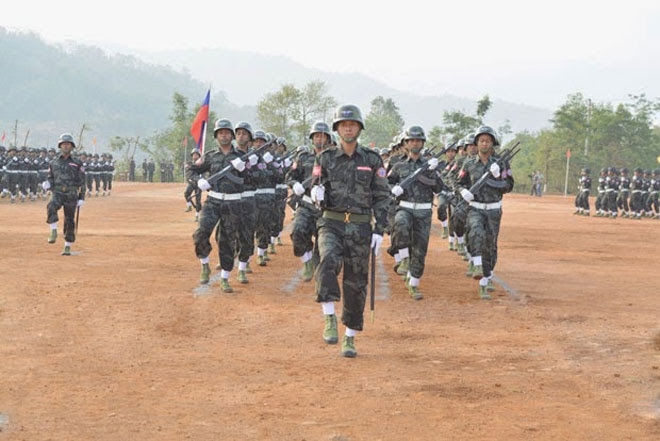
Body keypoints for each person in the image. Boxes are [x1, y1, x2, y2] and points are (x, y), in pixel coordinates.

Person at [311, 104, 391, 358]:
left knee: (356, 282)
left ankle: (350, 337)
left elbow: (383, 196)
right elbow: (316, 186)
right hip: (331, 222)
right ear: (337, 129)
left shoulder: (372, 159)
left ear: (359, 128)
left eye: (352, 124)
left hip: (360, 225)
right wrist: (316, 194)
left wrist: (379, 229)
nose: (348, 128)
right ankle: (329, 317)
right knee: (327, 261)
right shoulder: (324, 158)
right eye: (344, 125)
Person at [189, 118, 248, 292]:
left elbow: (255, 180)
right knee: (201, 233)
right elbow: (191, 169)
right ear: (216, 136)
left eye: (227, 133)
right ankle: (205, 264)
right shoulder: (210, 156)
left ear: (232, 136)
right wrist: (199, 181)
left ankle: (224, 278)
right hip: (213, 201)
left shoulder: (241, 157)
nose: (224, 135)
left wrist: (245, 169)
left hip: (233, 203)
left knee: (227, 241)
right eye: (220, 133)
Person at [457, 126, 514, 300]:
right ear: (476, 143)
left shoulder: (502, 164)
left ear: (492, 143)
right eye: (481, 140)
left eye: (488, 141)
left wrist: (498, 177)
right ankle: (477, 265)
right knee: (475, 233)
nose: (484, 144)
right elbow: (458, 182)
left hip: (494, 210)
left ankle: (485, 280)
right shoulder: (468, 163)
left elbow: (509, 186)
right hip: (475, 207)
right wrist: (462, 191)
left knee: (490, 246)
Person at [387, 125, 443, 300]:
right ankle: (404, 259)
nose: (415, 143)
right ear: (406, 143)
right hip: (404, 207)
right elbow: (386, 183)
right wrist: (393, 188)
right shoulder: (399, 165)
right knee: (400, 224)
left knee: (420, 250)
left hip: (424, 211)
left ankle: (413, 284)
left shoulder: (430, 166)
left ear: (423, 143)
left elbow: (439, 188)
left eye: (418, 140)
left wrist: (434, 173)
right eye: (411, 140)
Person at [286, 121, 331, 281]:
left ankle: (318, 270)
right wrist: (295, 184)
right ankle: (307, 261)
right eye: (316, 136)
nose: (319, 139)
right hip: (305, 204)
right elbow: (290, 176)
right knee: (297, 232)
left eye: (322, 136)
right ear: (312, 139)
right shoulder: (303, 157)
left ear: (328, 139)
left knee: (322, 243)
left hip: (326, 208)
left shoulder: (334, 158)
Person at [41, 133, 86, 256]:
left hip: (71, 193)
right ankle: (53, 231)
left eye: (68, 144)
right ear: (60, 146)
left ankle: (67, 246)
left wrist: (81, 197)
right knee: (51, 206)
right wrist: (47, 184)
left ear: (72, 146)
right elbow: (50, 177)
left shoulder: (77, 162)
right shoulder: (53, 162)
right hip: (58, 192)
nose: (66, 146)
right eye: (63, 144)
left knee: (69, 220)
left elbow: (82, 181)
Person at [183, 149, 203, 221]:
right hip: (191, 182)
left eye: (196, 155)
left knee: (198, 200)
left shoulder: (202, 164)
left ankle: (197, 216)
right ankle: (189, 206)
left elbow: (203, 170)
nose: (195, 156)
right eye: (194, 155)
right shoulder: (189, 163)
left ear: (199, 156)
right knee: (186, 194)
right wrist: (195, 166)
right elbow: (188, 167)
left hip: (198, 183)